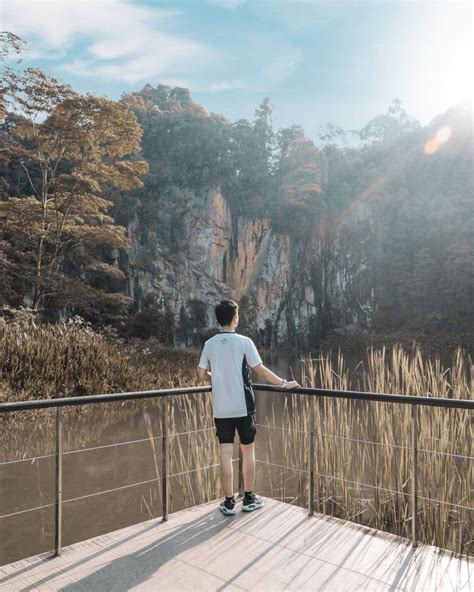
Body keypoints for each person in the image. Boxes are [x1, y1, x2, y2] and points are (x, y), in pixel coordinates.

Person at [197, 299, 300, 516]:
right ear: (235, 318)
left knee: (225, 455)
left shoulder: (209, 344)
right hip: (243, 407)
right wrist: (284, 384)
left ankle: (227, 503)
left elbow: (200, 374)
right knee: (248, 450)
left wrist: (217, 377)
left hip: (221, 409)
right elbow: (260, 371)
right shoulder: (244, 342)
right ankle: (249, 498)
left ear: (218, 319)